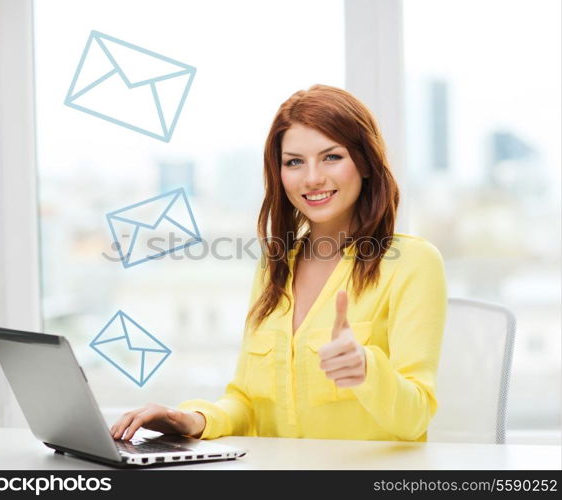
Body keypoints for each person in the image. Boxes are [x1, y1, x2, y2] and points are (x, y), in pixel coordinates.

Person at [110, 84, 447, 442]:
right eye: (294, 162)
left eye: (332, 157)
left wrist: (366, 370)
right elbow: (247, 402)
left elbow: (415, 418)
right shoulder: (275, 266)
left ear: (364, 163)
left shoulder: (412, 263)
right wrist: (192, 419)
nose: (313, 177)